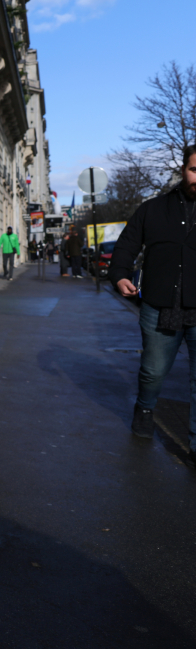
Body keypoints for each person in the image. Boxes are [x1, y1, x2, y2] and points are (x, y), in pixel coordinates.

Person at [110, 145, 196, 466]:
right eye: (194, 169)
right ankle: (145, 408)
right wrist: (119, 276)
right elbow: (126, 246)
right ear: (183, 170)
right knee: (153, 371)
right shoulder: (153, 209)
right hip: (160, 304)